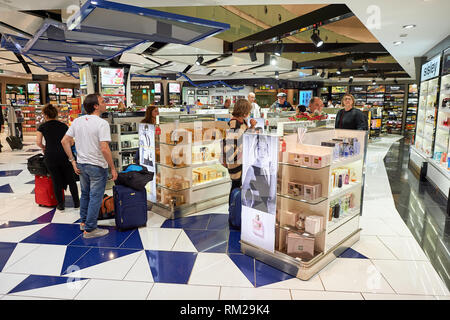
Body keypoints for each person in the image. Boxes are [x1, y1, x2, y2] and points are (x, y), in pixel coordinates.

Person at [61, 93, 118, 239]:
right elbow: (104, 148)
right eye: (102, 101)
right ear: (96, 106)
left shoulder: (77, 121)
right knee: (95, 197)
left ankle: (84, 222)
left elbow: (64, 141)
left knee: (85, 194)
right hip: (97, 166)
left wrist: (72, 161)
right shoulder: (102, 123)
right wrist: (112, 167)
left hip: (81, 164)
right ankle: (90, 229)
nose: (105, 103)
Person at [36, 104, 79, 211]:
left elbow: (38, 142)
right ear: (56, 114)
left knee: (56, 180)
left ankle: (60, 204)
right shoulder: (63, 126)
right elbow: (72, 142)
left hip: (50, 156)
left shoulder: (42, 127)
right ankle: (76, 202)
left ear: (45, 115)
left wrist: (44, 147)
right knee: (71, 180)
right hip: (65, 155)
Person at [223, 99, 256, 200]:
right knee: (236, 186)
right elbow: (231, 144)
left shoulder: (241, 122)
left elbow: (244, 136)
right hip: (236, 161)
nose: (249, 113)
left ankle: (236, 209)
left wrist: (252, 126)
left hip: (240, 160)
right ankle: (233, 209)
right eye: (248, 110)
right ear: (244, 111)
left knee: (238, 186)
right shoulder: (235, 124)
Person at [242, 134, 277, 214]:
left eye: (264, 149)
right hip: (256, 211)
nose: (262, 152)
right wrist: (247, 209)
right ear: (255, 149)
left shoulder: (264, 170)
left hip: (264, 212)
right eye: (259, 148)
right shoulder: (251, 169)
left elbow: (271, 196)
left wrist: (272, 174)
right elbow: (243, 193)